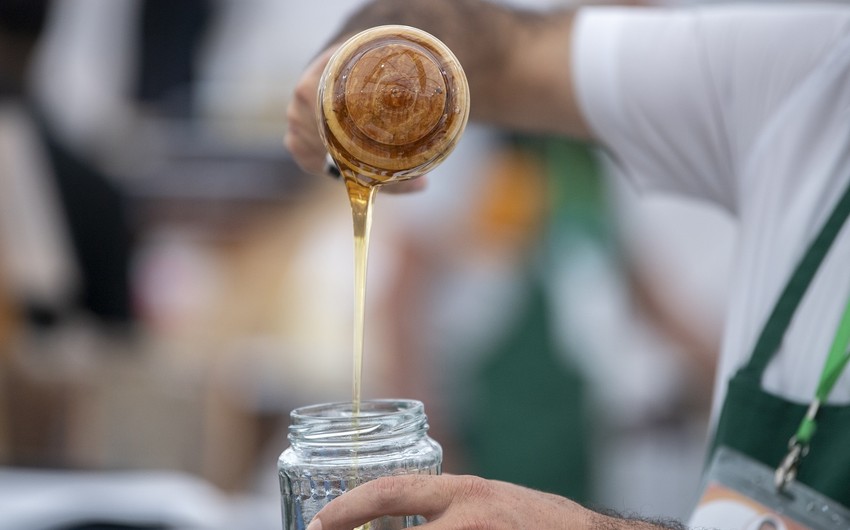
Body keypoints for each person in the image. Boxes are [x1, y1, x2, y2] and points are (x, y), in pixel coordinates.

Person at [284, 0, 850, 528]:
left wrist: (698, 374)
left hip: (574, 417)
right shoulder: (806, 73)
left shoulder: (592, 170)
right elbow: (501, 50)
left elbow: (633, 281)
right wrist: (363, 51)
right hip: (492, 403)